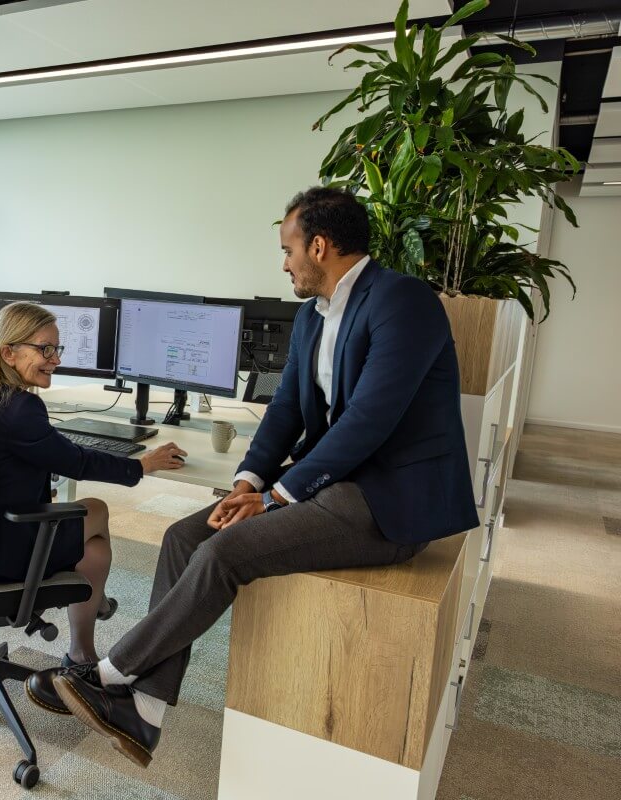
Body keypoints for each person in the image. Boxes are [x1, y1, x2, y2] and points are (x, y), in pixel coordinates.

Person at [28, 187, 479, 768]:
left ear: (319, 245)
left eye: (288, 249)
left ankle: (109, 673)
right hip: (333, 484)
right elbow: (286, 409)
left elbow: (371, 418)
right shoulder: (312, 317)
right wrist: (246, 484)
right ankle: (145, 712)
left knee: (227, 549)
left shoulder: (403, 301)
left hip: (389, 500)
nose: (284, 262)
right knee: (185, 536)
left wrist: (276, 496)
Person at [0, 301, 186, 708]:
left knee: (95, 549)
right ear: (8, 352)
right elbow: (76, 462)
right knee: (97, 509)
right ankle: (93, 607)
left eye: (57, 349)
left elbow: (48, 452)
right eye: (45, 349)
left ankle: (81, 653)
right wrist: (142, 465)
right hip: (7, 549)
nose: (57, 359)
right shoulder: (20, 408)